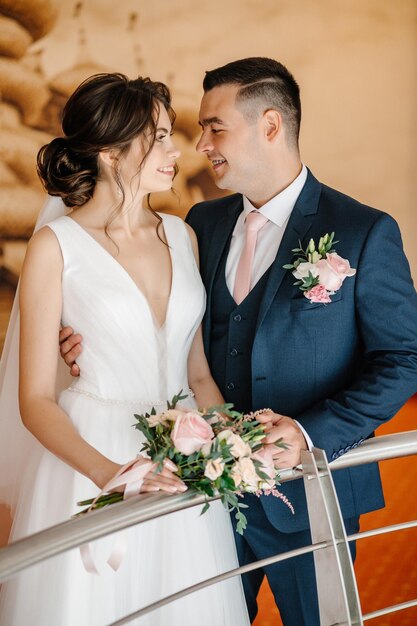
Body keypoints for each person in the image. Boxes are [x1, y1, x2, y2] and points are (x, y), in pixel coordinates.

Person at [58, 58, 417, 625]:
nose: (200, 145)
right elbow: (170, 330)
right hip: (200, 494)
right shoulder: (200, 223)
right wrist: (83, 341)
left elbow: (403, 359)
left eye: (214, 127)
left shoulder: (363, 231)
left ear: (269, 125)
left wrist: (305, 433)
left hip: (310, 496)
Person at [0, 73, 250, 626]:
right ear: (112, 154)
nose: (175, 151)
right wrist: (112, 473)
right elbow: (36, 399)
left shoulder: (180, 235)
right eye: (158, 137)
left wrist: (231, 442)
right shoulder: (55, 247)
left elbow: (199, 374)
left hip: (183, 462)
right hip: (94, 456)